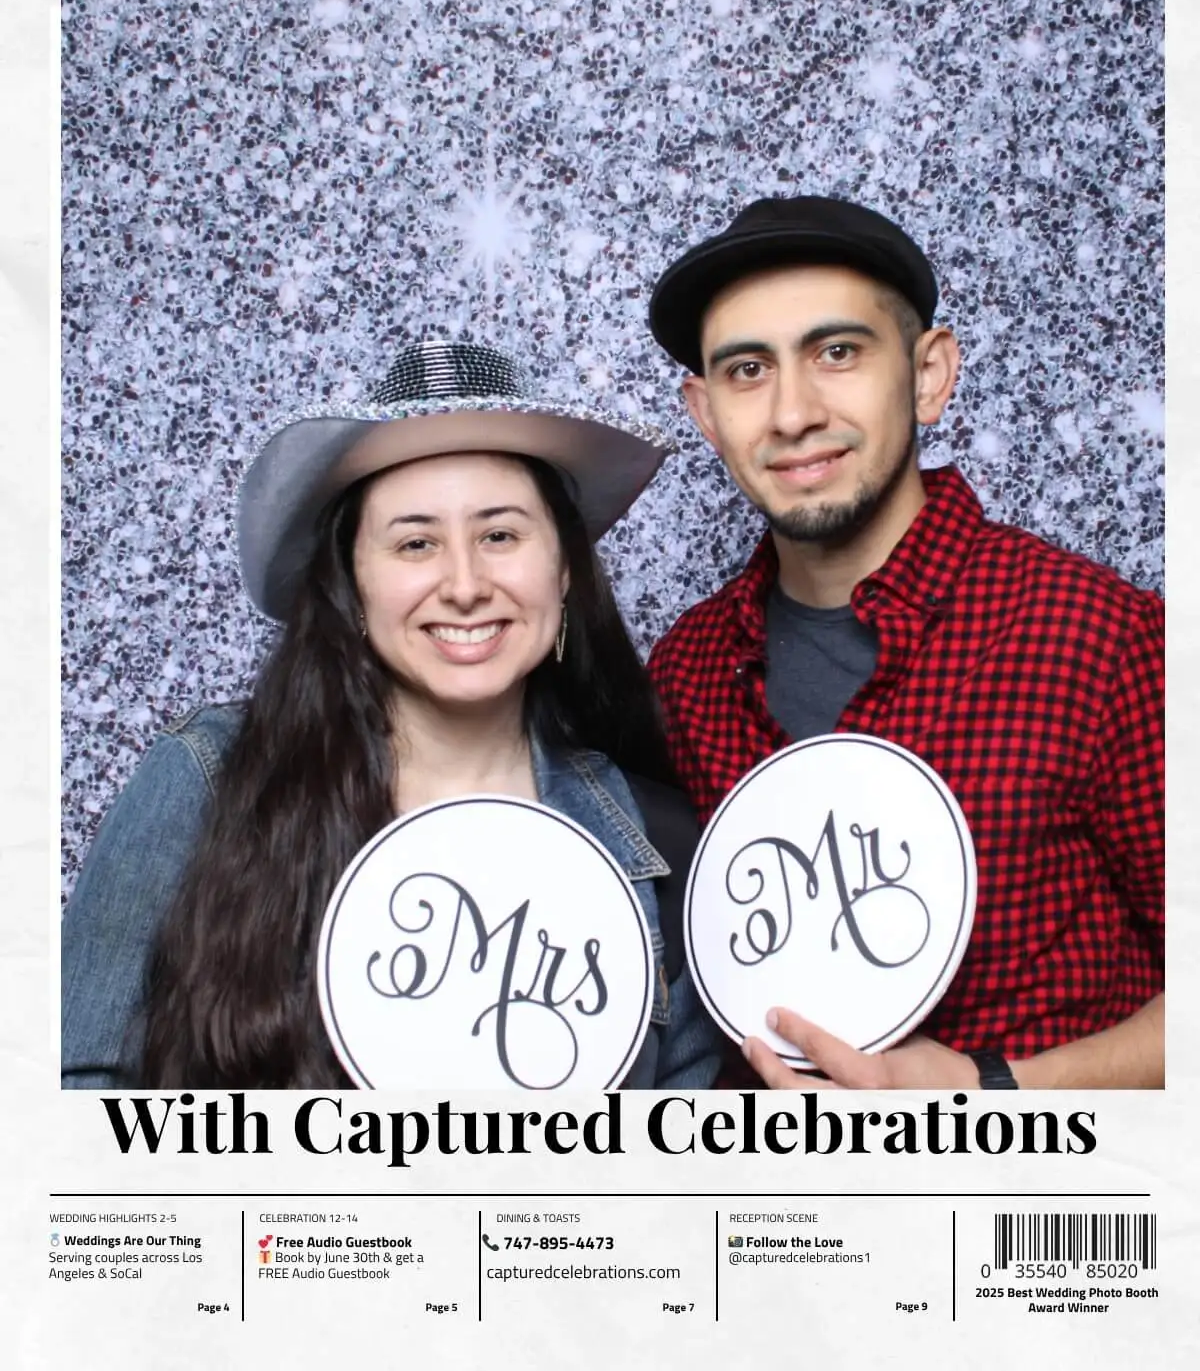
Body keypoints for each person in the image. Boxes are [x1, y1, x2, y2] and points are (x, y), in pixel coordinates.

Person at [62, 339, 720, 1091]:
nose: (465, 584)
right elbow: (77, 1102)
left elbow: (676, 1174)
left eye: (500, 535)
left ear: (563, 567)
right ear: (352, 580)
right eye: (415, 543)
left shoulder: (654, 839)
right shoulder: (207, 780)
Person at [646, 195, 1164, 1091]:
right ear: (704, 410)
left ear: (928, 374)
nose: (793, 412)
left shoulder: (1097, 635)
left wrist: (988, 1092)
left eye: (837, 353)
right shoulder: (686, 672)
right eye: (746, 371)